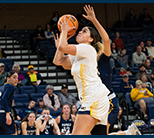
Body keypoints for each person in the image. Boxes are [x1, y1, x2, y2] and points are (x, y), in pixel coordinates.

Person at [53, 5, 110, 135]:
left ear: (90, 39)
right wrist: (64, 41)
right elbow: (58, 61)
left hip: (93, 98)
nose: (80, 31)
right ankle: (128, 133)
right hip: (95, 98)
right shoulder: (77, 54)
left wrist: (64, 32)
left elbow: (63, 47)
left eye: (85, 31)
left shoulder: (87, 48)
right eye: (81, 30)